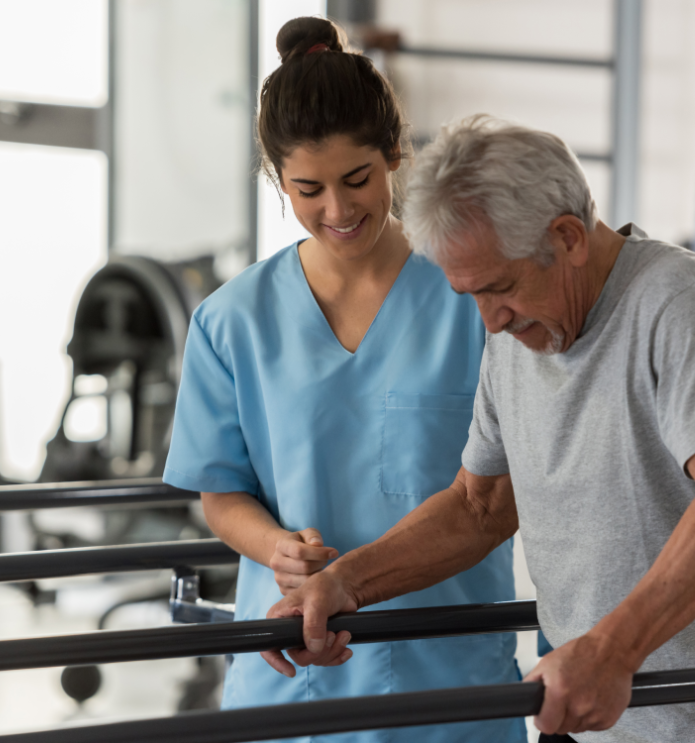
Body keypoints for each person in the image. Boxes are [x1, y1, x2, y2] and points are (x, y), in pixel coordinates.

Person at [264, 116, 695, 743]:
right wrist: (344, 583)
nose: (492, 320)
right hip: (585, 722)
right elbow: (479, 509)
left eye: (501, 288)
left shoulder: (678, 301)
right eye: (470, 295)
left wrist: (611, 652)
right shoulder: (517, 336)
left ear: (567, 237)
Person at [162, 21, 524, 743]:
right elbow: (221, 493)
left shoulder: (474, 301)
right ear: (277, 180)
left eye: (358, 179)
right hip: (292, 671)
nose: (338, 209)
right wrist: (272, 546)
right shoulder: (232, 321)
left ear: (396, 153)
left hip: (447, 673)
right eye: (308, 189)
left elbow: (504, 494)